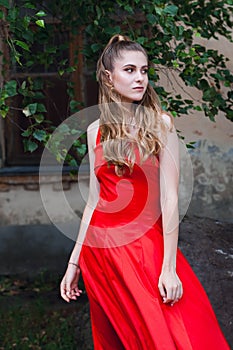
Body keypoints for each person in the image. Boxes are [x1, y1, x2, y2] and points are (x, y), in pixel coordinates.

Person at [60, 34, 230, 349]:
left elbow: (170, 198)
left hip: (143, 247)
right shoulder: (94, 131)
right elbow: (95, 200)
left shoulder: (161, 123)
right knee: (121, 340)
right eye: (130, 70)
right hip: (100, 255)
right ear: (109, 79)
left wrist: (169, 268)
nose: (140, 77)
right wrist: (74, 264)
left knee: (177, 333)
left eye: (144, 70)